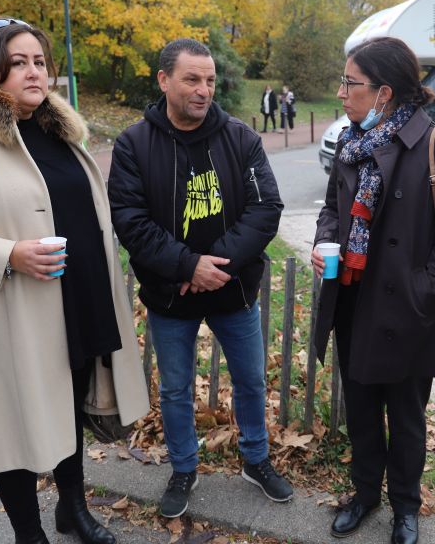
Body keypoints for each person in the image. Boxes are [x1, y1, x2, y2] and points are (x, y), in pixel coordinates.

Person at [0, 17, 149, 544]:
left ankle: (73, 510)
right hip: (8, 313)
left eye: (39, 61)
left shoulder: (57, 131)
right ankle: (27, 532)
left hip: (76, 302)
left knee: (66, 406)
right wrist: (7, 254)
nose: (34, 72)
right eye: (19, 62)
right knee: (10, 423)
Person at [107, 38, 290, 519]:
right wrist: (188, 267)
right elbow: (130, 219)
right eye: (192, 79)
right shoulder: (133, 145)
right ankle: (184, 467)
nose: (203, 89)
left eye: (209, 80)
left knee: (250, 380)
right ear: (164, 80)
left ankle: (256, 459)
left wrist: (213, 267)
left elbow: (265, 208)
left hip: (233, 289)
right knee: (174, 388)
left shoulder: (240, 138)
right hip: (171, 293)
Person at [311, 36, 435, 544]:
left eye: (349, 82)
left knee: (406, 420)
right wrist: (325, 241)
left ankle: (406, 506)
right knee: (360, 413)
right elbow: (332, 210)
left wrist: (426, 290)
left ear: (382, 92)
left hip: (408, 309)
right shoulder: (351, 144)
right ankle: (364, 495)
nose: (340, 92)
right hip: (354, 301)